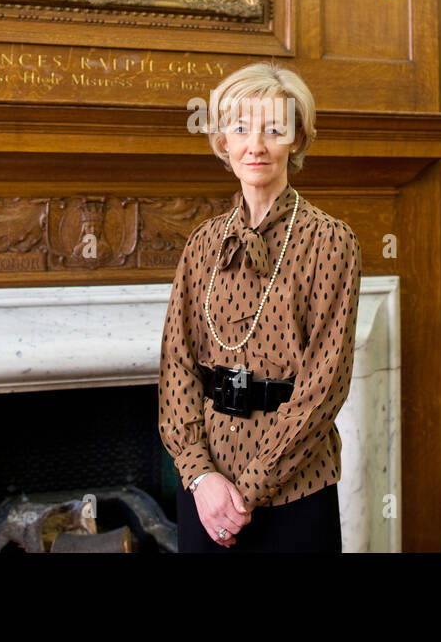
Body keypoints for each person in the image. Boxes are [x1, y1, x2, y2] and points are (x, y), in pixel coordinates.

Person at [158, 62, 362, 552]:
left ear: (296, 139)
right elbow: (176, 365)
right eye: (242, 127)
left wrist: (245, 492)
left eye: (275, 129)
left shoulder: (332, 241)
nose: (256, 144)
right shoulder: (202, 242)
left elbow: (325, 384)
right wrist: (200, 475)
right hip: (205, 494)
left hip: (296, 492)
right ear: (223, 141)